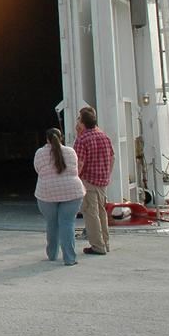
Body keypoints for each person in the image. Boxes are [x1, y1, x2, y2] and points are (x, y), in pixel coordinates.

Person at [33, 127, 86, 265]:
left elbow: (37, 169)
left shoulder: (40, 153)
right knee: (67, 224)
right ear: (61, 138)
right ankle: (69, 258)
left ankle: (52, 254)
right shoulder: (70, 152)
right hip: (72, 192)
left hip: (47, 193)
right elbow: (75, 168)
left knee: (52, 223)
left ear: (46, 139)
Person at [74, 105, 114, 255]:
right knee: (102, 212)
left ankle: (98, 246)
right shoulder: (104, 136)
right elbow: (112, 158)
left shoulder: (82, 140)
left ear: (82, 122)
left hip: (88, 181)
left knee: (91, 213)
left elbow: (79, 163)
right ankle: (105, 242)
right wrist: (107, 175)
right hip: (103, 181)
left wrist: (75, 180)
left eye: (79, 119)